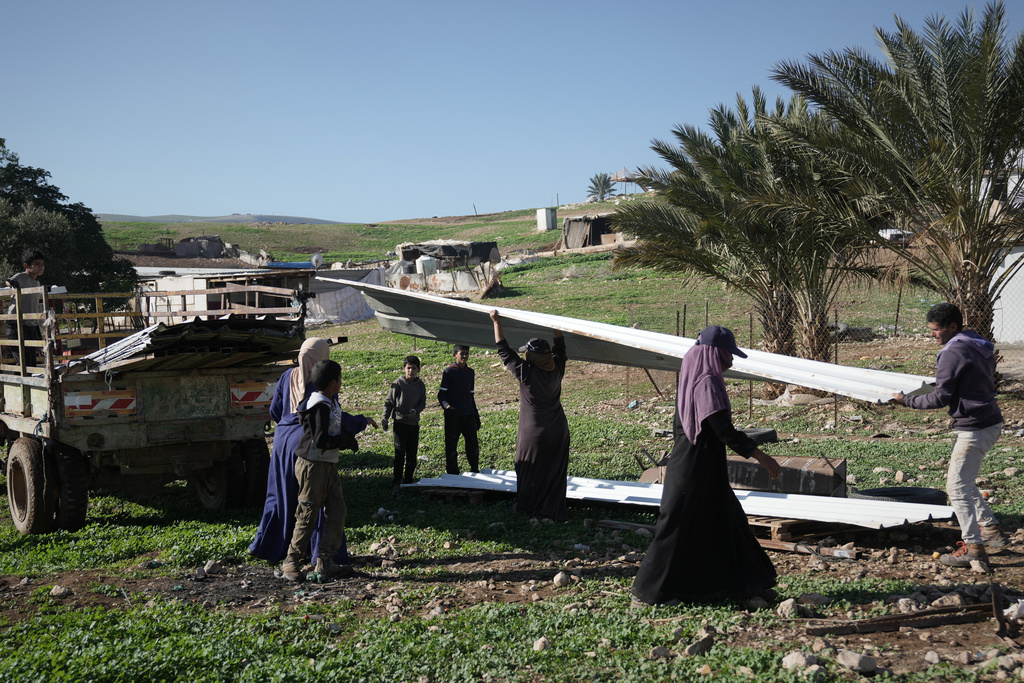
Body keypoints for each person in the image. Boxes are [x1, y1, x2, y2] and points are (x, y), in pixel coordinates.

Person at [631, 325, 781, 605]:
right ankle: (647, 594)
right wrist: (762, 456)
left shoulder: (694, 377)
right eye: (729, 354)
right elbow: (724, 431)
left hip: (702, 465)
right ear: (714, 353)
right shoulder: (707, 382)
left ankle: (745, 586)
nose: (732, 360)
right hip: (693, 468)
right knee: (675, 527)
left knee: (727, 521)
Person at [891, 302, 1008, 568]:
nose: (931, 335)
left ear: (952, 327)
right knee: (964, 481)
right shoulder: (976, 341)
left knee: (956, 487)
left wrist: (905, 400)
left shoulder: (952, 351)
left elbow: (940, 398)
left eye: (935, 330)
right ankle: (990, 529)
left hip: (974, 427)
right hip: (989, 420)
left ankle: (974, 548)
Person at [249, 338, 349, 565]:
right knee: (315, 502)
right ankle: (317, 557)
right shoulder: (322, 381)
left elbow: (274, 410)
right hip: (308, 445)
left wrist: (287, 424)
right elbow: (335, 418)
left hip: (282, 441)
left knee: (281, 496)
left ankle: (275, 547)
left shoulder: (287, 375)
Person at [283, 359, 376, 582]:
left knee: (337, 510)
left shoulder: (328, 402)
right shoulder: (319, 405)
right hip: (312, 466)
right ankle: (291, 562)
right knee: (307, 513)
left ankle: (325, 561)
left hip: (327, 465)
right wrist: (346, 441)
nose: (341, 383)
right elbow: (321, 440)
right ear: (334, 382)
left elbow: (339, 423)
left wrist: (359, 425)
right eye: (340, 379)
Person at [489, 310, 570, 521]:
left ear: (532, 355)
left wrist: (496, 321)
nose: (524, 354)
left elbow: (503, 350)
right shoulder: (557, 368)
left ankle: (529, 507)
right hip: (559, 430)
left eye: (527, 352)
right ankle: (552, 509)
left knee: (528, 468)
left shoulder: (527, 373)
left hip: (534, 432)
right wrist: (555, 323)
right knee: (554, 472)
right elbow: (560, 347)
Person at [383, 355, 426, 491]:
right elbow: (389, 402)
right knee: (399, 453)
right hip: (400, 423)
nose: (410, 371)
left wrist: (416, 410)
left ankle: (408, 481)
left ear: (418, 370)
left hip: (413, 424)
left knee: (412, 454)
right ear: (404, 369)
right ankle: (396, 481)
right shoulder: (398, 383)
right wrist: (385, 418)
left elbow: (422, 402)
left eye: (413, 368)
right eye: (408, 368)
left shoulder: (420, 385)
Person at [438, 345, 481, 475]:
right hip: (453, 416)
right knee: (451, 447)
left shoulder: (470, 372)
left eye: (466, 353)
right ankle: (453, 474)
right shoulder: (449, 372)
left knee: (473, 446)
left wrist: (476, 415)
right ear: (454, 355)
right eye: (461, 353)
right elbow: (441, 395)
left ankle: (474, 470)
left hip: (468, 415)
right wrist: (447, 406)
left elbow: (471, 395)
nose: (464, 356)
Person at [4, 249, 46, 369]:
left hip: (31, 324)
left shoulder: (37, 283)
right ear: (26, 265)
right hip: (15, 323)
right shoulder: (21, 277)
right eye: (37, 264)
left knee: (31, 360)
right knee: (22, 361)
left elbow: (34, 303)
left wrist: (38, 320)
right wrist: (12, 284)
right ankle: (21, 384)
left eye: (42, 264)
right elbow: (8, 281)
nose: (41, 267)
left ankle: (29, 384)